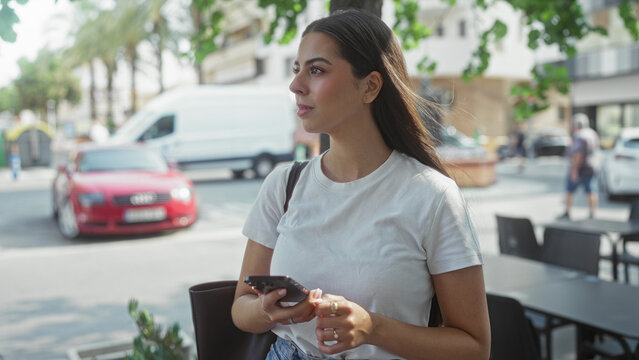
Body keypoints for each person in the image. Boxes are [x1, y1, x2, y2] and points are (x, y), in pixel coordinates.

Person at [231, 9, 490, 360]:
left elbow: (474, 347)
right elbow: (240, 309)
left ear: (369, 86)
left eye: (317, 70)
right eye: (297, 70)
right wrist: (270, 310)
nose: (296, 85)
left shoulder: (432, 196)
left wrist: (373, 328)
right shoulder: (283, 185)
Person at [559, 113, 600, 220]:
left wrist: (574, 170)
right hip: (592, 166)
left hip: (580, 167)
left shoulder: (579, 135)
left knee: (570, 190)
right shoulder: (592, 134)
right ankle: (592, 213)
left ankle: (567, 212)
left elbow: (578, 154)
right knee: (591, 190)